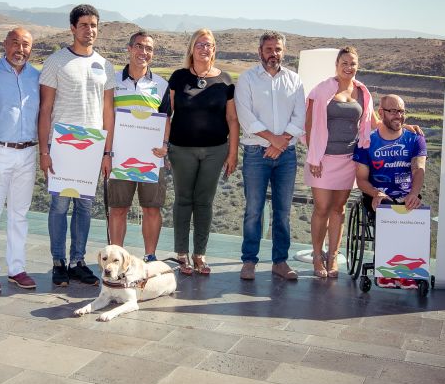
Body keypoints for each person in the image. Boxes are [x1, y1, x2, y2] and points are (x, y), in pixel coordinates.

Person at [38, 4, 115, 287]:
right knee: (59, 207)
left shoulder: (106, 65)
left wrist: (107, 151)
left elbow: (109, 112)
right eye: (84, 25)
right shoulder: (56, 62)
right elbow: (45, 109)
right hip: (62, 146)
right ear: (72, 28)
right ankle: (59, 261)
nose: (89, 30)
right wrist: (44, 152)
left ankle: (78, 261)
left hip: (92, 148)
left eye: (94, 25)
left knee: (84, 208)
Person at [163, 29, 238, 275]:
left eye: (210, 45)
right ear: (192, 48)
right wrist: (164, 145)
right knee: (184, 200)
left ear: (214, 50)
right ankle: (182, 254)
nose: (205, 49)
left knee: (204, 202)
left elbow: (232, 119)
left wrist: (233, 152)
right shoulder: (178, 77)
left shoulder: (225, 80)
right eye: (200, 44)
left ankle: (200, 255)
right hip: (181, 150)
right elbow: (167, 114)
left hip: (216, 151)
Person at [235, 31, 305, 281]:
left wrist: (280, 142)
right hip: (256, 153)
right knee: (254, 209)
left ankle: (280, 262)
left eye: (277, 49)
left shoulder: (295, 81)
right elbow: (246, 116)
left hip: (285, 155)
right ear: (260, 52)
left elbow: (300, 117)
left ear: (283, 52)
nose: (273, 54)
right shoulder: (247, 79)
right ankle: (249, 261)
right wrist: (272, 139)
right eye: (268, 49)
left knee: (283, 211)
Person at [0, 28, 40, 293]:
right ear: (5, 44)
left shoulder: (37, 77)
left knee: (19, 214)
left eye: (25, 44)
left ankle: (16, 268)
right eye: (15, 43)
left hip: (28, 152)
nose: (20, 49)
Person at [304, 46, 374, 278]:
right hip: (322, 159)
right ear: (336, 65)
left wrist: (405, 127)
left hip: (348, 159)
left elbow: (374, 122)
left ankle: (333, 256)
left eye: (353, 63)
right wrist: (314, 155)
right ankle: (317, 255)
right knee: (322, 208)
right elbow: (309, 125)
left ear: (358, 65)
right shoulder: (322, 90)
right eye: (344, 62)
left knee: (338, 209)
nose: (349, 67)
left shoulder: (363, 92)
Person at [107, 31, 169, 262]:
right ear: (129, 48)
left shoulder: (161, 84)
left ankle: (150, 257)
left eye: (149, 49)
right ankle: (116, 259)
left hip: (152, 158)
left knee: (151, 209)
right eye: (139, 46)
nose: (144, 52)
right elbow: (106, 117)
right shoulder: (112, 81)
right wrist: (107, 152)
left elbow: (167, 118)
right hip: (120, 156)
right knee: (118, 209)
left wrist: (164, 145)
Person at [353, 94, 426, 288]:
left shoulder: (415, 138)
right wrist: (377, 193)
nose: (398, 116)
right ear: (381, 112)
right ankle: (386, 271)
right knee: (387, 209)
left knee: (413, 209)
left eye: (401, 111)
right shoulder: (367, 141)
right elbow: (361, 179)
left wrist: (413, 193)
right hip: (377, 196)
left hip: (406, 194)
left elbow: (418, 169)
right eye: (393, 111)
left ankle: (407, 272)